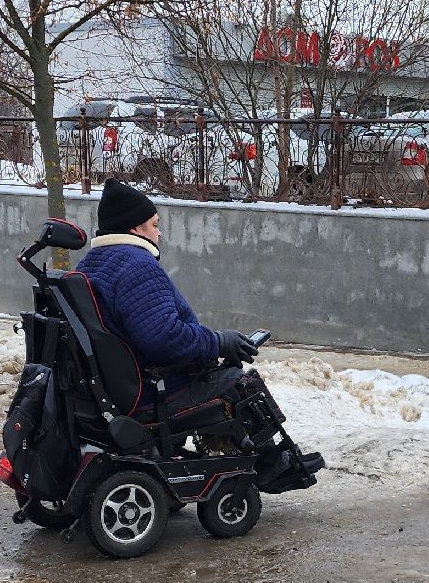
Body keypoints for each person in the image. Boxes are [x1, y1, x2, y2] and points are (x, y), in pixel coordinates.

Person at [75, 178, 323, 489]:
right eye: (155, 225)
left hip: (120, 385)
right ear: (135, 228)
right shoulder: (136, 265)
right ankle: (273, 466)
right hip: (150, 390)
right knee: (237, 382)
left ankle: (244, 456)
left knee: (221, 375)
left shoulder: (92, 264)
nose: (159, 233)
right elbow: (163, 337)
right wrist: (217, 342)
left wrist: (213, 344)